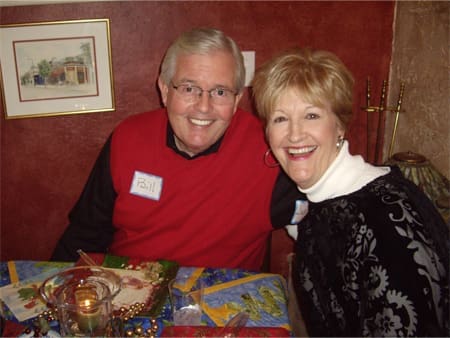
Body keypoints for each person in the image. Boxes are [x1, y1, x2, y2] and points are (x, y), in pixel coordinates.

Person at [51, 28, 301, 271]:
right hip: (131, 290)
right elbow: (85, 235)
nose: (203, 107)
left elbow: (327, 214)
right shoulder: (128, 138)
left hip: (224, 302)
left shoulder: (269, 147)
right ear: (164, 90)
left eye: (220, 92)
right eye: (189, 88)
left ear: (236, 100)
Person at [251, 47, 449, 336]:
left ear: (340, 125)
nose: (294, 134)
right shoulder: (325, 201)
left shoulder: (385, 219)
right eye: (280, 119)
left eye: (311, 115)